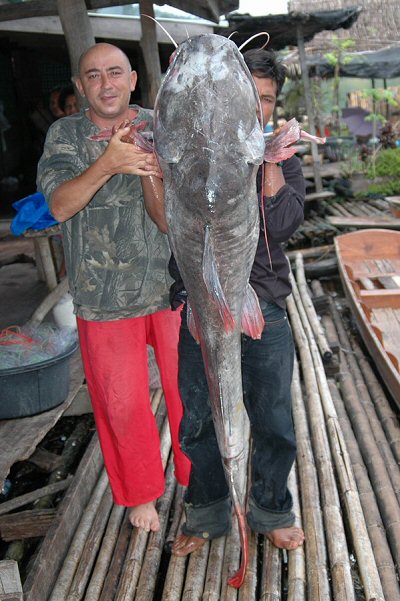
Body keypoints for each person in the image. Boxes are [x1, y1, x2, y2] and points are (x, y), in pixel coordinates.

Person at [37, 43, 191, 533]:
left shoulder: (161, 123)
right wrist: (107, 162)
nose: (106, 83)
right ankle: (142, 493)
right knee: (121, 403)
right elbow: (60, 207)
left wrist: (149, 166)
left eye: (115, 72)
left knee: (192, 393)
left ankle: (199, 478)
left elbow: (173, 218)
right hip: (102, 297)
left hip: (172, 286)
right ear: (81, 86)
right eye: (93, 75)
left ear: (131, 80)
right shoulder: (66, 134)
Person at [170, 48, 306, 557]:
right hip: (200, 304)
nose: (256, 107)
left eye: (266, 99)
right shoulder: (185, 147)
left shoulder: (280, 155)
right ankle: (206, 512)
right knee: (199, 416)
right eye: (249, 94)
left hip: (264, 303)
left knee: (272, 415)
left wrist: (268, 163)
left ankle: (270, 509)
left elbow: (289, 222)